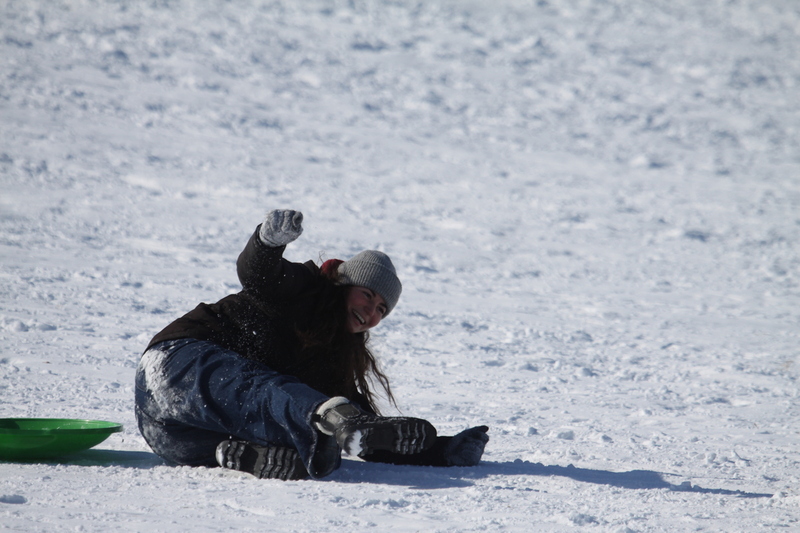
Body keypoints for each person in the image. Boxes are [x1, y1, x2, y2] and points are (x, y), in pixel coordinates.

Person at [135, 209, 489, 480]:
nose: (371, 311)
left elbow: (367, 434)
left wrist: (441, 451)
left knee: (312, 437)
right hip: (175, 366)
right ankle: (327, 418)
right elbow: (259, 274)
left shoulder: (335, 356)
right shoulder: (304, 289)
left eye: (382, 309)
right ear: (344, 286)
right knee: (274, 395)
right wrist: (268, 242)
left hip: (178, 434)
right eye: (367, 295)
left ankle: (243, 456)